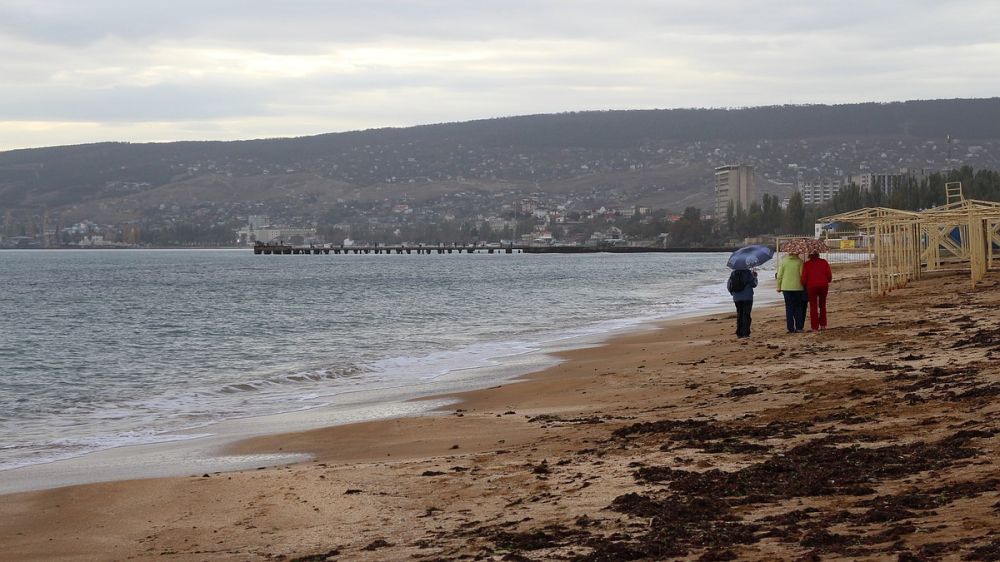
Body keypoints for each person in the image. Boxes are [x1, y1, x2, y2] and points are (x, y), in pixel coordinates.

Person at [801, 252, 833, 331]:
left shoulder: (807, 264)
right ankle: (823, 325)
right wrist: (827, 280)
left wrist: (803, 284)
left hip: (811, 286)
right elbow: (829, 276)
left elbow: (804, 278)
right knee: (822, 305)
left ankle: (814, 327)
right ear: (818, 254)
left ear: (809, 255)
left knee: (813, 306)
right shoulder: (824, 262)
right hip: (823, 285)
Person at [776, 253, 806, 333]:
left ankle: (790, 328)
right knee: (798, 308)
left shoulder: (784, 262)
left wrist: (778, 286)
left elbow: (779, 276)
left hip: (786, 288)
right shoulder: (800, 262)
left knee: (789, 308)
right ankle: (799, 327)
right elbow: (802, 275)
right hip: (798, 288)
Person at [727, 267, 758, 338]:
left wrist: (733, 294)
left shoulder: (733, 273)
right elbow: (754, 284)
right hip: (747, 297)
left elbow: (729, 286)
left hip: (736, 298)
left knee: (739, 314)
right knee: (746, 314)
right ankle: (745, 333)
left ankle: (739, 333)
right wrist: (755, 277)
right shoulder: (748, 273)